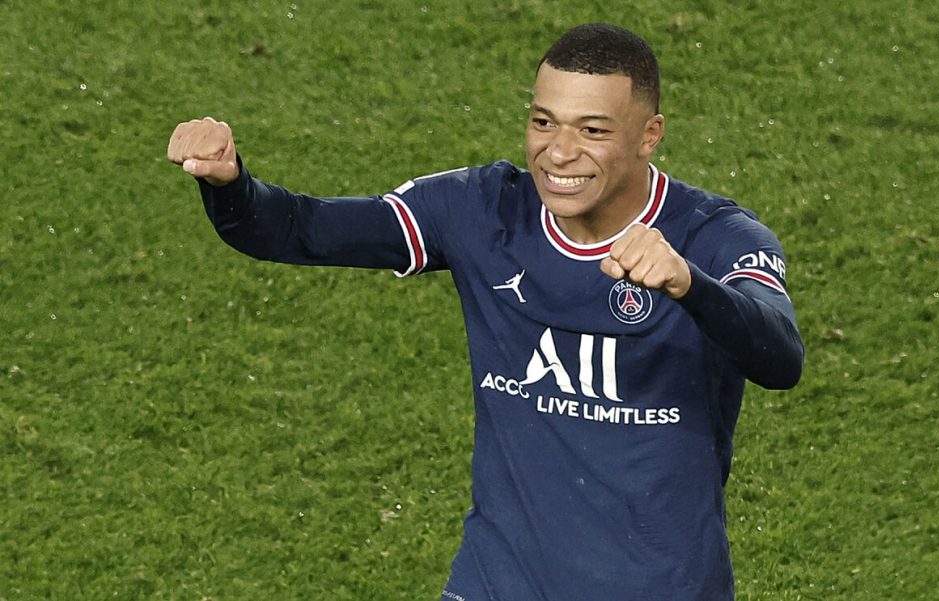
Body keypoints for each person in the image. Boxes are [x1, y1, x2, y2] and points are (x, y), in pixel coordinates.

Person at [168, 22, 803, 601]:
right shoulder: (481, 209)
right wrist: (230, 184)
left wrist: (690, 285)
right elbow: (300, 230)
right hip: (498, 581)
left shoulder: (715, 237)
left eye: (593, 130)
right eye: (544, 122)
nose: (559, 152)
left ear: (649, 136)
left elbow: (779, 357)